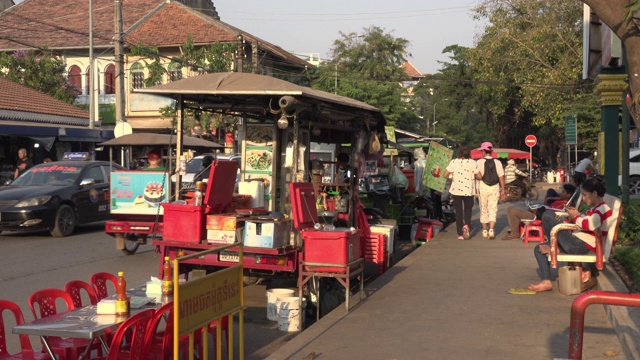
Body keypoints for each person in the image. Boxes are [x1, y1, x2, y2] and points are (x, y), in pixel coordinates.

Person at [528, 177, 611, 292]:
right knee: (538, 249)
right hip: (576, 242)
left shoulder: (604, 209)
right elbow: (588, 222)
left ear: (595, 193)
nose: (584, 198)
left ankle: (554, 246)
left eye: (585, 195)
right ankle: (546, 281)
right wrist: (578, 215)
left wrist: (575, 217)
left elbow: (589, 224)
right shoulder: (596, 209)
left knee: (547, 215)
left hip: (580, 245)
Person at [502, 183, 576, 241]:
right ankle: (515, 230)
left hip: (538, 216)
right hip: (539, 214)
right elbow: (547, 207)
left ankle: (515, 233)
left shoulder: (562, 204)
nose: (560, 193)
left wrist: (536, 212)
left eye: (563, 192)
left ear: (568, 195)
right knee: (510, 209)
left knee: (512, 210)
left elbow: (550, 214)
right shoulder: (560, 201)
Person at [444, 143, 476, 240]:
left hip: (456, 190)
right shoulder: (472, 162)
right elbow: (479, 175)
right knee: (468, 210)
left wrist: (452, 177)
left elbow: (445, 175)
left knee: (458, 211)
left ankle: (460, 234)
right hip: (468, 190)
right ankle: (466, 225)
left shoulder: (453, 162)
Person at [475, 142, 506, 239]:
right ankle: (491, 230)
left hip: (483, 187)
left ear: (483, 151)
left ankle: (484, 230)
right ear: (491, 151)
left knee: (483, 208)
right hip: (495, 187)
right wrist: (503, 190)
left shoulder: (479, 162)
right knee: (493, 208)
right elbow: (501, 176)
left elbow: (477, 176)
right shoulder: (498, 162)